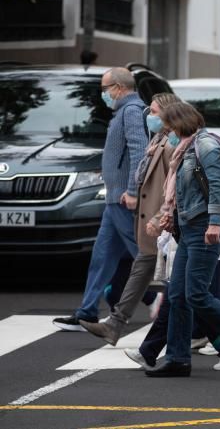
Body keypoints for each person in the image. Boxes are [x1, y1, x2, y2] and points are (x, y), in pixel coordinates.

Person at [144, 102, 220, 377]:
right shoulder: (184, 149)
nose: (167, 132)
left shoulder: (205, 146)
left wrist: (215, 223)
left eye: (169, 126)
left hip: (204, 229)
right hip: (188, 229)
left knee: (196, 293)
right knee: (178, 295)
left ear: (181, 123)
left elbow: (218, 186)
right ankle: (178, 359)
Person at [53, 68, 149, 331]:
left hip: (122, 198)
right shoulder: (123, 112)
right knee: (102, 256)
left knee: (142, 254)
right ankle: (87, 312)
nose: (104, 94)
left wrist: (132, 190)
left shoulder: (130, 111)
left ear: (118, 87)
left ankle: (160, 297)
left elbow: (139, 151)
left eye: (105, 89)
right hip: (114, 198)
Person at [79, 93, 180, 344]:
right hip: (151, 222)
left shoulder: (171, 145)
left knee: (187, 289)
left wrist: (159, 216)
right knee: (139, 271)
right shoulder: (158, 139)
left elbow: (176, 189)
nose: (150, 116)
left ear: (168, 115)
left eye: (155, 112)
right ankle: (115, 323)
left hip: (166, 224)